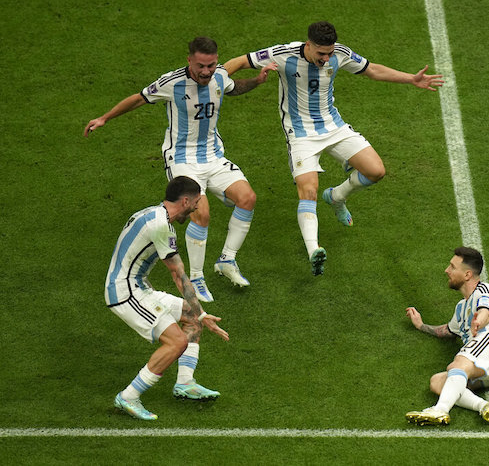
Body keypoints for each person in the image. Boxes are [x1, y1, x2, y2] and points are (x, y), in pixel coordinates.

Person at [223, 21, 443, 275]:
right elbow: (240, 60)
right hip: (301, 134)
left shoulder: (340, 53)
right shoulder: (283, 54)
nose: (326, 59)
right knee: (308, 191)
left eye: (329, 53)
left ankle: (337, 197)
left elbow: (372, 70)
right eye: (321, 54)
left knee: (376, 171)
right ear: (308, 46)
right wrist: (217, 82)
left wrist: (411, 79)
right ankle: (313, 249)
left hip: (333, 127)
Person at [86, 37, 277, 301]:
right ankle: (196, 278)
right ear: (189, 60)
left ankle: (226, 261)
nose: (206, 72)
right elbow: (139, 99)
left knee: (248, 198)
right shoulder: (171, 83)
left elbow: (233, 88)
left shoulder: (219, 76)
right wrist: (104, 118)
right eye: (201, 66)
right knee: (201, 212)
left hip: (213, 155)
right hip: (182, 159)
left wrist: (257, 81)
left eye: (211, 65)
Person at [105, 176, 230, 421]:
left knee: (191, 319)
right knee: (176, 342)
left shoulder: (153, 214)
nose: (196, 208)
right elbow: (177, 273)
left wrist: (199, 314)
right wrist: (203, 313)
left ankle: (185, 383)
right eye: (195, 203)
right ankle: (128, 396)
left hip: (139, 287)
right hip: (125, 292)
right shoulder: (161, 225)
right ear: (185, 201)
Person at [404, 247, 489, 426]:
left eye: (452, 267)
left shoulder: (484, 290)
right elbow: (447, 331)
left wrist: (480, 321)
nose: (447, 271)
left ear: (467, 274)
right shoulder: (461, 308)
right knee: (438, 382)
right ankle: (485, 406)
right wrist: (421, 325)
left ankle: (440, 410)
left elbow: (485, 309)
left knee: (458, 363)